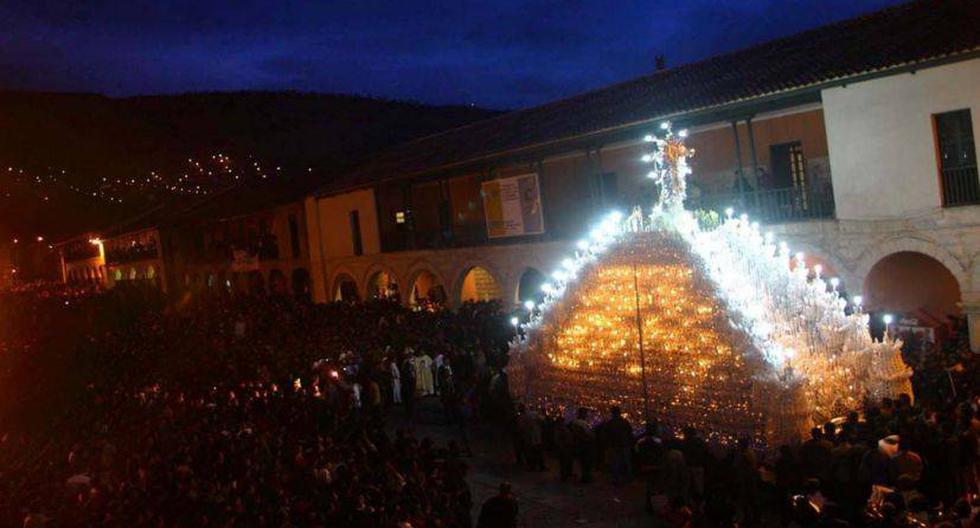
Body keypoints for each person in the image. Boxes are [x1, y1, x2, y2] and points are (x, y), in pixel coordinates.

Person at [602, 406, 634, 485]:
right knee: (626, 462)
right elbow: (630, 433)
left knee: (615, 463)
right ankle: (629, 478)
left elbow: (606, 434)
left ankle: (617, 479)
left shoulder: (610, 423)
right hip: (624, 444)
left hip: (614, 445)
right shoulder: (625, 422)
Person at [569, 407, 595, 483]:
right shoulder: (583, 423)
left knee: (579, 462)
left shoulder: (574, 422)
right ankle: (585, 477)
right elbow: (589, 434)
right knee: (585, 462)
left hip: (576, 444)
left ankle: (579, 476)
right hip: (584, 445)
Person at [516, 404, 545, 471]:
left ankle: (533, 466)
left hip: (528, 437)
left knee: (531, 452)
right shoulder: (533, 414)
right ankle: (541, 466)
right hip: (536, 435)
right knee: (538, 451)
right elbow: (542, 420)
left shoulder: (521, 418)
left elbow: (520, 428)